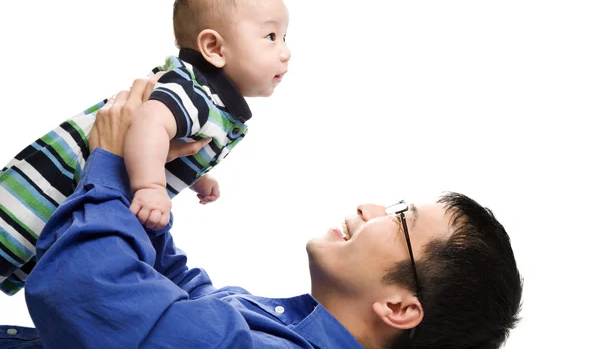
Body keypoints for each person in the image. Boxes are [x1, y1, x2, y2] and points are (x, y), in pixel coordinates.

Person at [21, 77, 522, 348]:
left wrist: (108, 164)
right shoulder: (286, 328)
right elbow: (176, 294)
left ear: (398, 308)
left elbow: (89, 297)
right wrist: (145, 178)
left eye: (399, 218)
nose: (367, 208)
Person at [0, 0, 291, 295]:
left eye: (284, 37)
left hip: (56, 198)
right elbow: (150, 123)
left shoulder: (204, 98)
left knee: (23, 255)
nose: (285, 52)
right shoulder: (196, 94)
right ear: (213, 48)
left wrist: (194, 175)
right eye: (270, 37)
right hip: (40, 194)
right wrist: (151, 185)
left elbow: (165, 139)